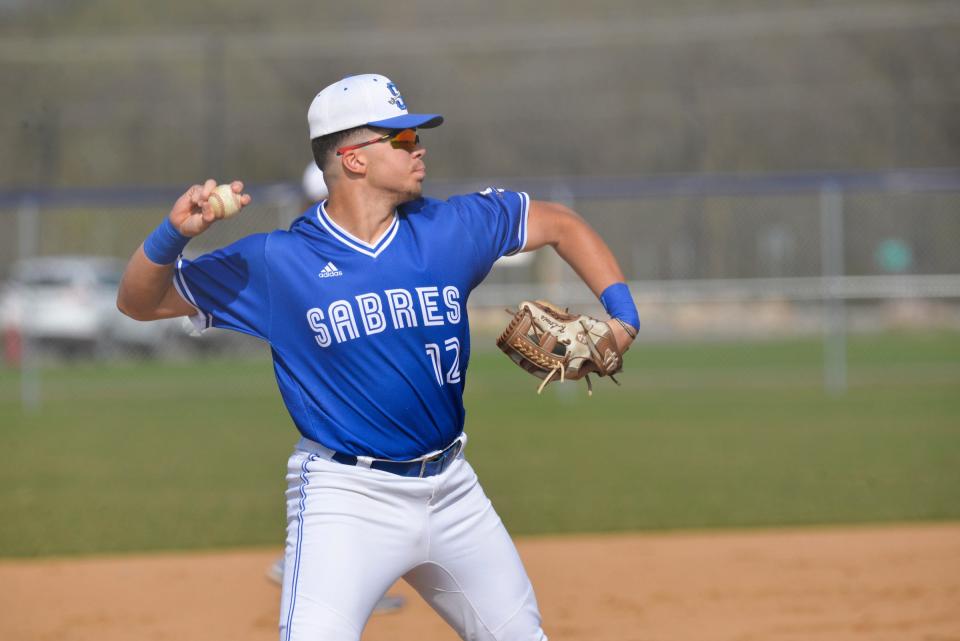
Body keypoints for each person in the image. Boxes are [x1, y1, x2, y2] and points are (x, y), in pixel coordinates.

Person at [117, 73, 638, 641]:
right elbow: (139, 303)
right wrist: (172, 235)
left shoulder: (448, 228)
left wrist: (623, 321)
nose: (419, 150)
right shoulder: (279, 261)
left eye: (416, 137)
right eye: (402, 139)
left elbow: (560, 224)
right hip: (347, 498)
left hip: (452, 490)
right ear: (353, 159)